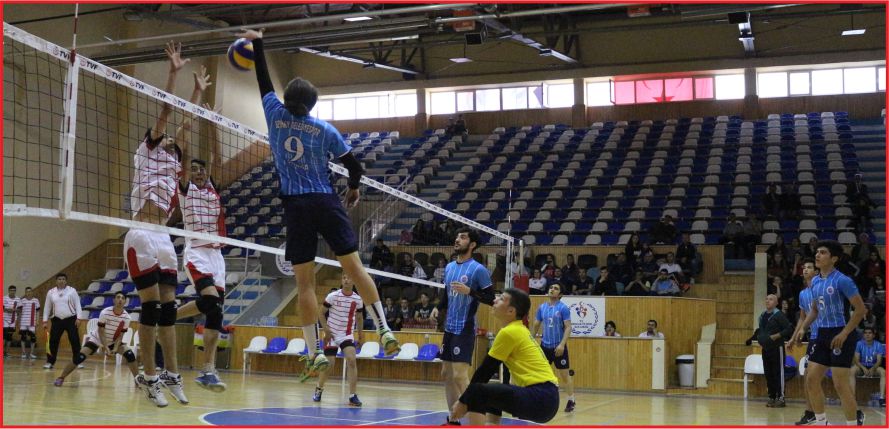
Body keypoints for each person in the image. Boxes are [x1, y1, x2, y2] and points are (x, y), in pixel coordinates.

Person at [239, 30, 400, 385]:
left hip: (296, 207)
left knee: (305, 284)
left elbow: (262, 77)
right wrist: (354, 189)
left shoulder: (273, 113)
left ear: (286, 98)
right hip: (326, 201)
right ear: (312, 105)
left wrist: (258, 42)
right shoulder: (325, 129)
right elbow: (355, 167)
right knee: (356, 270)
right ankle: (385, 330)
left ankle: (314, 353)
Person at [122, 41, 192, 407]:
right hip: (140, 235)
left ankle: (171, 374)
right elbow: (167, 111)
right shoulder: (147, 152)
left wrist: (196, 94)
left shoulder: (174, 166)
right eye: (167, 139)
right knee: (150, 308)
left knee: (168, 311)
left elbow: (186, 124)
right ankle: (149, 377)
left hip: (164, 239)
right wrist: (174, 74)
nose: (169, 142)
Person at [446, 288, 559, 425]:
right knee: (492, 393)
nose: (494, 300)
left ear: (511, 311)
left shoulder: (509, 332)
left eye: (501, 299)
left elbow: (483, 372)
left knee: (477, 390)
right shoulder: (517, 329)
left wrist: (463, 401)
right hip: (547, 398)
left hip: (540, 397)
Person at [791, 240, 867, 426]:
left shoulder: (843, 280)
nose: (817, 255)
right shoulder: (815, 281)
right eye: (817, 252)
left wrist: (844, 334)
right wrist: (803, 328)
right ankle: (822, 421)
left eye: (823, 252)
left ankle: (852, 423)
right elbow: (815, 311)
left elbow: (860, 310)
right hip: (823, 334)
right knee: (811, 379)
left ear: (833, 258)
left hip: (841, 333)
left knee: (840, 384)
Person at [430, 228, 494, 424]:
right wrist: (437, 308)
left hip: (465, 328)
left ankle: (478, 416)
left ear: (472, 244)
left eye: (463, 237)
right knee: (447, 374)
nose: (457, 239)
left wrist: (470, 292)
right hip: (449, 328)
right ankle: (453, 419)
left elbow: (491, 299)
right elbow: (446, 295)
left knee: (459, 375)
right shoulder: (449, 267)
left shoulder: (478, 270)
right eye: (457, 236)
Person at [53, 292, 139, 387]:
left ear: (125, 302)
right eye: (118, 297)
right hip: (97, 339)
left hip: (113, 341)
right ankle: (61, 378)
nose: (120, 300)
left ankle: (137, 380)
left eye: (122, 298)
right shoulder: (105, 312)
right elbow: (101, 331)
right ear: (114, 300)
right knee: (79, 357)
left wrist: (115, 348)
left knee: (130, 355)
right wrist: (106, 347)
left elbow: (120, 335)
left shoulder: (127, 317)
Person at [314, 273, 366, 406]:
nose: (346, 280)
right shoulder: (333, 296)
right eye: (344, 278)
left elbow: (359, 318)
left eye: (349, 278)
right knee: (329, 365)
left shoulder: (358, 299)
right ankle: (319, 389)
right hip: (331, 334)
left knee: (352, 360)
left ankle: (353, 396)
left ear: (354, 280)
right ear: (341, 281)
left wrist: (361, 335)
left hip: (346, 334)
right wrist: (326, 329)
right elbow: (320, 313)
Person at [531, 284, 576, 413]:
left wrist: (562, 344)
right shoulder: (542, 308)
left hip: (558, 347)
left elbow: (568, 327)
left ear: (560, 294)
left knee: (564, 375)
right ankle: (539, 398)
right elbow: (536, 324)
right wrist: (531, 340)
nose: (552, 289)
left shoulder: (563, 308)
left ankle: (571, 400)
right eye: (551, 287)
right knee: (540, 374)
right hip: (545, 346)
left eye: (556, 288)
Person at [745, 294, 793, 407]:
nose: (767, 301)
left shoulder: (779, 315)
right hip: (766, 349)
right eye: (766, 299)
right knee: (769, 374)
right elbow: (761, 330)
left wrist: (777, 336)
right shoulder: (762, 316)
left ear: (776, 303)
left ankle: (781, 398)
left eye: (771, 299)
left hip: (777, 348)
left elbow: (789, 329)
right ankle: (771, 397)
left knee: (778, 373)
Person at [791, 258, 819, 425]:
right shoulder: (803, 294)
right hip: (814, 338)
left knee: (839, 379)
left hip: (826, 336)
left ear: (816, 272)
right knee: (808, 376)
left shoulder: (820, 289)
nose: (806, 269)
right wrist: (793, 338)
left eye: (809, 267)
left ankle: (814, 413)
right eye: (804, 267)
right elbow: (802, 319)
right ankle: (811, 413)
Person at [42, 274, 83, 370]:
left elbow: (78, 304)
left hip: (71, 319)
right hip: (56, 320)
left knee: (74, 340)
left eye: (63, 279)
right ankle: (50, 362)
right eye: (59, 279)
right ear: (56, 281)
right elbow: (47, 307)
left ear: (66, 281)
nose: (61, 281)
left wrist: (79, 318)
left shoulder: (72, 291)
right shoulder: (51, 292)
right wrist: (44, 320)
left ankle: (77, 361)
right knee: (53, 341)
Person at [850, 327, 885, 407]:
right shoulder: (859, 344)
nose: (867, 335)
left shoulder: (878, 345)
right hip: (861, 366)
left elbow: (879, 361)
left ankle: (881, 398)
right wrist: (863, 368)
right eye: (865, 333)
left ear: (873, 335)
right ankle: (852, 397)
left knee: (883, 372)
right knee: (852, 370)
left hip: (874, 367)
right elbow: (856, 360)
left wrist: (873, 369)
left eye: (869, 333)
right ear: (863, 335)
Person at [17, 287, 40, 359]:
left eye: (30, 291)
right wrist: (19, 321)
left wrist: (37, 321)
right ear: (25, 293)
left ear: (32, 292)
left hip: (32, 323)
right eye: (27, 291)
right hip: (23, 322)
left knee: (33, 338)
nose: (28, 293)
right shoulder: (22, 301)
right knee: (23, 337)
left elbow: (38, 311)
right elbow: (19, 312)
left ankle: (31, 353)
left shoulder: (36, 300)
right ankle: (23, 353)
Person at [3, 285, 19, 359]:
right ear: (8, 291)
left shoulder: (18, 299)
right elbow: (4, 309)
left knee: (9, 337)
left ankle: (6, 353)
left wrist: (14, 310)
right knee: (3, 337)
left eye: (14, 290)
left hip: (13, 321)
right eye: (11, 290)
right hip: (5, 320)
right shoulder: (4, 298)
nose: (12, 292)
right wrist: (11, 310)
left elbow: (19, 310)